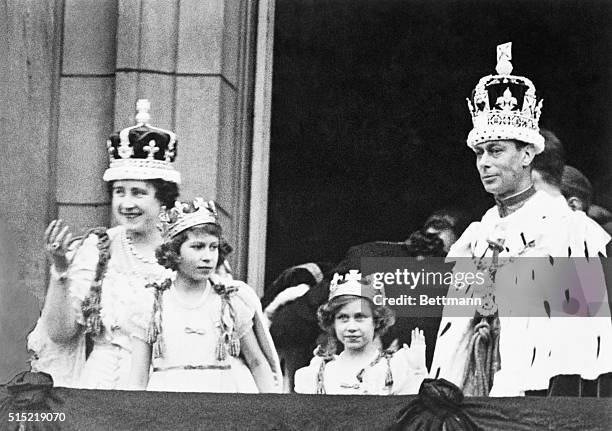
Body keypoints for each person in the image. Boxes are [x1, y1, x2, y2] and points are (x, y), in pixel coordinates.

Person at [430, 43, 612, 396]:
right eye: (479, 153)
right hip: (475, 397)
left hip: (539, 400)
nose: (484, 162)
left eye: (496, 151)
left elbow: (585, 349)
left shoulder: (572, 232)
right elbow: (455, 341)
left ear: (528, 153)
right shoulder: (478, 234)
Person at [27, 100, 181, 389]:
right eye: (119, 192)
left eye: (138, 193)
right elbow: (61, 333)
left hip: (164, 384)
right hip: (100, 384)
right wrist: (60, 270)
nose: (127, 203)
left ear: (163, 199)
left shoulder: (187, 250)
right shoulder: (97, 249)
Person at [128, 198, 281, 392]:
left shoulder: (230, 300)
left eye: (213, 247)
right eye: (198, 247)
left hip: (220, 400)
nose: (208, 257)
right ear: (174, 252)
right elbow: (138, 377)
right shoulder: (152, 302)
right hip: (168, 403)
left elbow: (257, 362)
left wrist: (269, 410)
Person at [294, 270, 427, 395]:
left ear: (376, 321)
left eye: (360, 317)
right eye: (343, 318)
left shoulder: (392, 368)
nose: (351, 327)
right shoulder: (317, 373)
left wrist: (417, 372)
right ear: (333, 323)